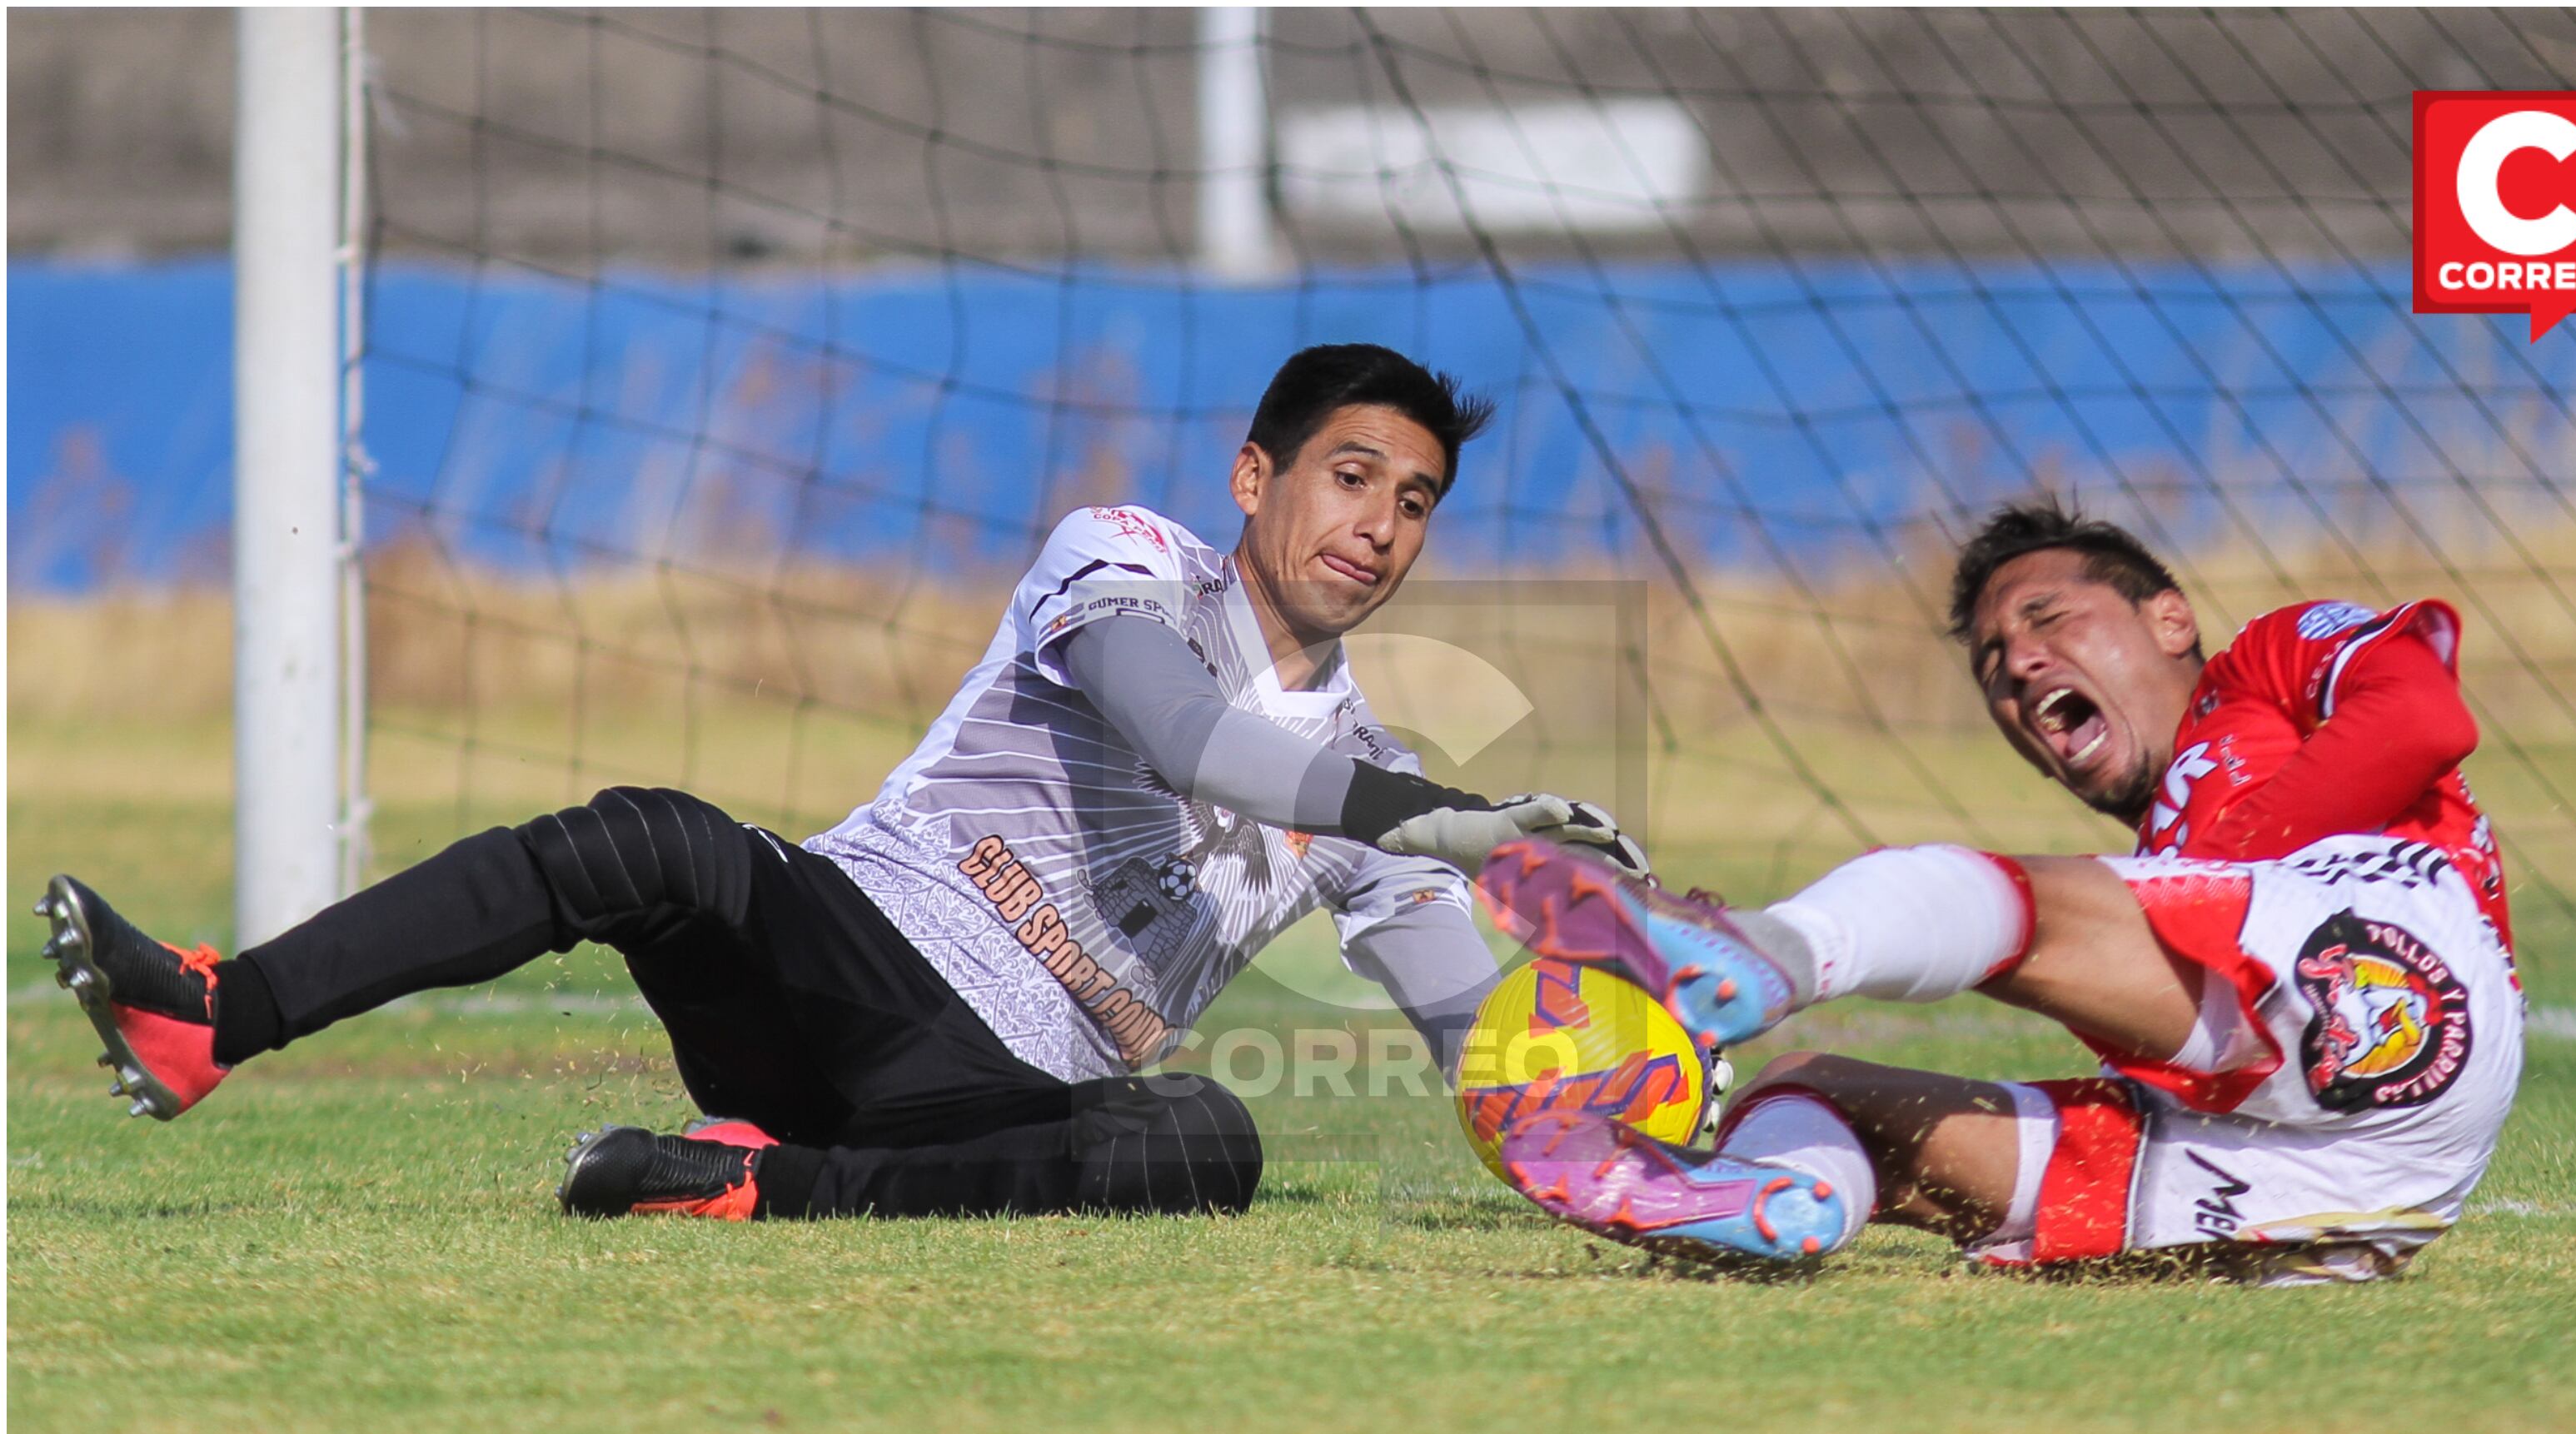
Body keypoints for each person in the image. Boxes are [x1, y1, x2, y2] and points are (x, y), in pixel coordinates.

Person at [37, 343, 1646, 1224]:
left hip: (986, 1098)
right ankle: (211, 1012)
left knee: (1204, 1140)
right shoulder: (1128, 560)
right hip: (839, 958)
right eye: (1351, 476)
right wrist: (1424, 810)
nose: (1377, 524)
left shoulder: (1373, 774)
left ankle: (743, 1183)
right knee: (654, 839)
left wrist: (1630, 1138)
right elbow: (1181, 735)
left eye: (1414, 501)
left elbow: (1470, 1035)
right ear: (1255, 478)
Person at [1477, 499, 2522, 1285]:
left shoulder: (2262, 665)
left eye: (2049, 617)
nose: (2019, 662)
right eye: (1993, 660)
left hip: (2407, 976)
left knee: (1959, 887)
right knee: (1806, 1089)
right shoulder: (2168, 862)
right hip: (2367, 1184)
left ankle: (1766, 951)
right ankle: (1777, 1197)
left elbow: (2424, 718)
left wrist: (2235, 852)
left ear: (2168, 617)